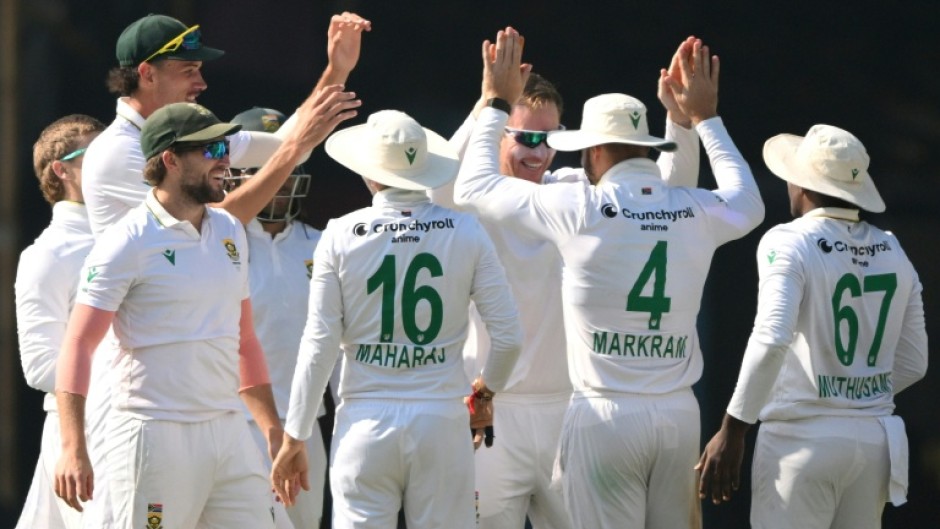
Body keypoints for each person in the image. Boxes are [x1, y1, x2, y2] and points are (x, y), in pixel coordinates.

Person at [453, 30, 764, 529]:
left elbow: (470, 185)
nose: (538, 153)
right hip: (512, 413)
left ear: (588, 151)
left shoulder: (573, 199)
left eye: (549, 140)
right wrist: (692, 121)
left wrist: (495, 101)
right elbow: (685, 196)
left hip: (586, 411)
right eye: (526, 138)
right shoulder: (642, 205)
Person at [53, 96, 358, 529]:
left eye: (225, 150)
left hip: (229, 432)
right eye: (211, 151)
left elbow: (244, 340)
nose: (224, 162)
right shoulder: (127, 241)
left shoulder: (231, 230)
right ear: (170, 160)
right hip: (154, 433)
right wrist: (72, 446)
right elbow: (79, 343)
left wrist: (273, 431)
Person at [270, 109, 523, 529]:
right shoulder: (467, 231)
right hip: (442, 420)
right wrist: (484, 395)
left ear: (370, 174)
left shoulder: (339, 233)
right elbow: (510, 337)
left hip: (365, 424)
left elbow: (319, 344)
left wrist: (295, 435)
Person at [696, 124, 928, 529]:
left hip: (800, 441)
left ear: (802, 185)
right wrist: (852, 393)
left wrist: (733, 429)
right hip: (875, 441)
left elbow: (771, 339)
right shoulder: (893, 247)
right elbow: (915, 361)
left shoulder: (788, 240)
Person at [82, 11, 371, 235]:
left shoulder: (192, 133)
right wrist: (295, 148)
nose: (202, 83)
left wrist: (337, 68)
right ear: (147, 74)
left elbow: (281, 147)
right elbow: (216, 225)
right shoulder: (119, 151)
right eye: (189, 70)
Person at [227, 106, 328, 529]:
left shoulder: (323, 244)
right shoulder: (218, 241)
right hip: (237, 424)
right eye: (265, 168)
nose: (280, 181)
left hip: (307, 424)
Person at [15, 114, 105, 529]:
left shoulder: (135, 231)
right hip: (82, 435)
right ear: (61, 170)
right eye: (97, 154)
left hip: (140, 423)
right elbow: (40, 367)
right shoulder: (47, 254)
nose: (111, 163)